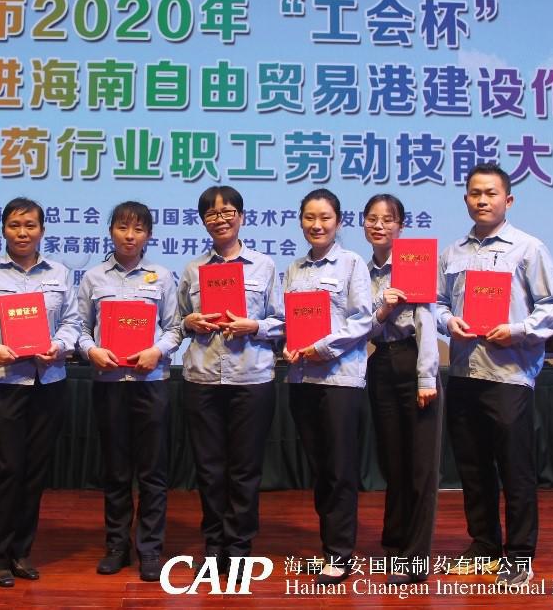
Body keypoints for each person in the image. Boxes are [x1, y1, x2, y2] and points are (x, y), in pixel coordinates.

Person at [435, 163, 553, 588]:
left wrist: (518, 330)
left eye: (491, 193)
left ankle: (519, 553)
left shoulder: (528, 248)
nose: (482, 200)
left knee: (515, 469)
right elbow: (436, 303)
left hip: (508, 374)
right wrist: (448, 322)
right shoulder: (452, 252)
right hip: (464, 372)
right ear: (465, 200)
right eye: (475, 193)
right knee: (472, 467)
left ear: (508, 200)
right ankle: (484, 545)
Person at [0, 197, 82, 588]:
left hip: (48, 381)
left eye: (30, 225)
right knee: (6, 468)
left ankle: (20, 551)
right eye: (15, 225)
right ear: (4, 230)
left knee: (34, 471)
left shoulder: (60, 273)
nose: (23, 232)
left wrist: (59, 346)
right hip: (2, 381)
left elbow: (73, 321)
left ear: (42, 230)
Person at [173, 185, 283, 576]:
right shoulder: (192, 269)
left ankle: (238, 546)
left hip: (251, 378)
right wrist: (189, 321)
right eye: (212, 213)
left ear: (241, 217)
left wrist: (255, 325)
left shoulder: (264, 266)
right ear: (203, 221)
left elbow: (282, 321)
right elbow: (176, 323)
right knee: (209, 468)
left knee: (244, 469)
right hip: (202, 378)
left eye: (228, 212)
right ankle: (214, 543)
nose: (220, 219)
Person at [77, 201, 180, 582]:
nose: (130, 236)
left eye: (138, 229)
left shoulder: (162, 277)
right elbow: (79, 328)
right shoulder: (93, 277)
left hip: (150, 383)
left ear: (149, 235)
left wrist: (157, 351)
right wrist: (91, 351)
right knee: (116, 471)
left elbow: (174, 328)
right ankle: (117, 546)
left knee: (152, 472)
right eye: (122, 227)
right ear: (111, 231)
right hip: (109, 384)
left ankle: (150, 548)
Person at [281, 188, 373, 585]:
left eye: (325, 218)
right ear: (300, 220)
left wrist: (321, 347)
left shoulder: (352, 264)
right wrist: (287, 344)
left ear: (339, 221)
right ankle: (329, 546)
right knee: (320, 469)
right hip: (302, 379)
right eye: (309, 217)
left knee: (339, 469)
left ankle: (340, 552)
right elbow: (288, 321)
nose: (316, 225)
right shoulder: (294, 269)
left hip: (339, 379)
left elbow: (362, 320)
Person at [362, 193, 442, 585]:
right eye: (372, 219)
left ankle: (415, 558)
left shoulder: (414, 262)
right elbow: (363, 329)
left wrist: (426, 377)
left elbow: (426, 321)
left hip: (414, 362)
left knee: (420, 467)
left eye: (388, 219)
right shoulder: (361, 272)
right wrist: (381, 309)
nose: (379, 225)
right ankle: (395, 541)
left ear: (401, 226)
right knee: (392, 461)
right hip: (381, 362)